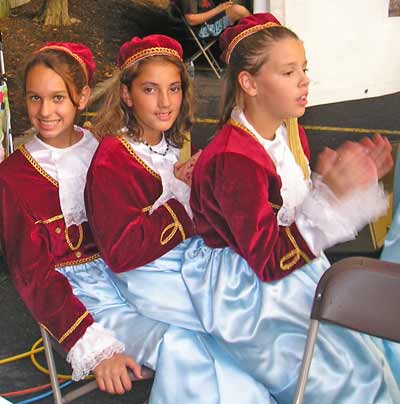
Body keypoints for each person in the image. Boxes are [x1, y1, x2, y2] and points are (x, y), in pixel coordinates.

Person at [183, 12, 400, 403]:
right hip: (248, 292)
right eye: (288, 72)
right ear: (249, 83)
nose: (304, 81)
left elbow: (290, 215)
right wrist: (331, 194)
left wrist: (341, 188)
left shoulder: (285, 132)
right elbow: (267, 260)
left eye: (304, 68)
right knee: (348, 378)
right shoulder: (236, 158)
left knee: (367, 355)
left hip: (289, 270)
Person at [85, 34, 274, 404]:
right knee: (245, 315)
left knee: (241, 333)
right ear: (127, 95)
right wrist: (188, 200)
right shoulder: (113, 156)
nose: (165, 102)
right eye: (150, 90)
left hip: (179, 265)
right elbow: (121, 253)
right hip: (146, 279)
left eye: (173, 89)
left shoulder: (167, 142)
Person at [0, 42, 155, 395]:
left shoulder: (104, 149)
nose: (44, 111)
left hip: (134, 279)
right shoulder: (11, 178)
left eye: (58, 98)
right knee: (180, 346)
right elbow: (33, 276)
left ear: (83, 97)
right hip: (77, 301)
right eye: (34, 98)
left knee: (206, 332)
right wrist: (93, 346)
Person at [177, 0, 251, 39]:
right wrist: (218, 9)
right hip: (203, 29)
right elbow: (191, 20)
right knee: (238, 10)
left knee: (239, 7)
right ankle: (259, 40)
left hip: (212, 20)